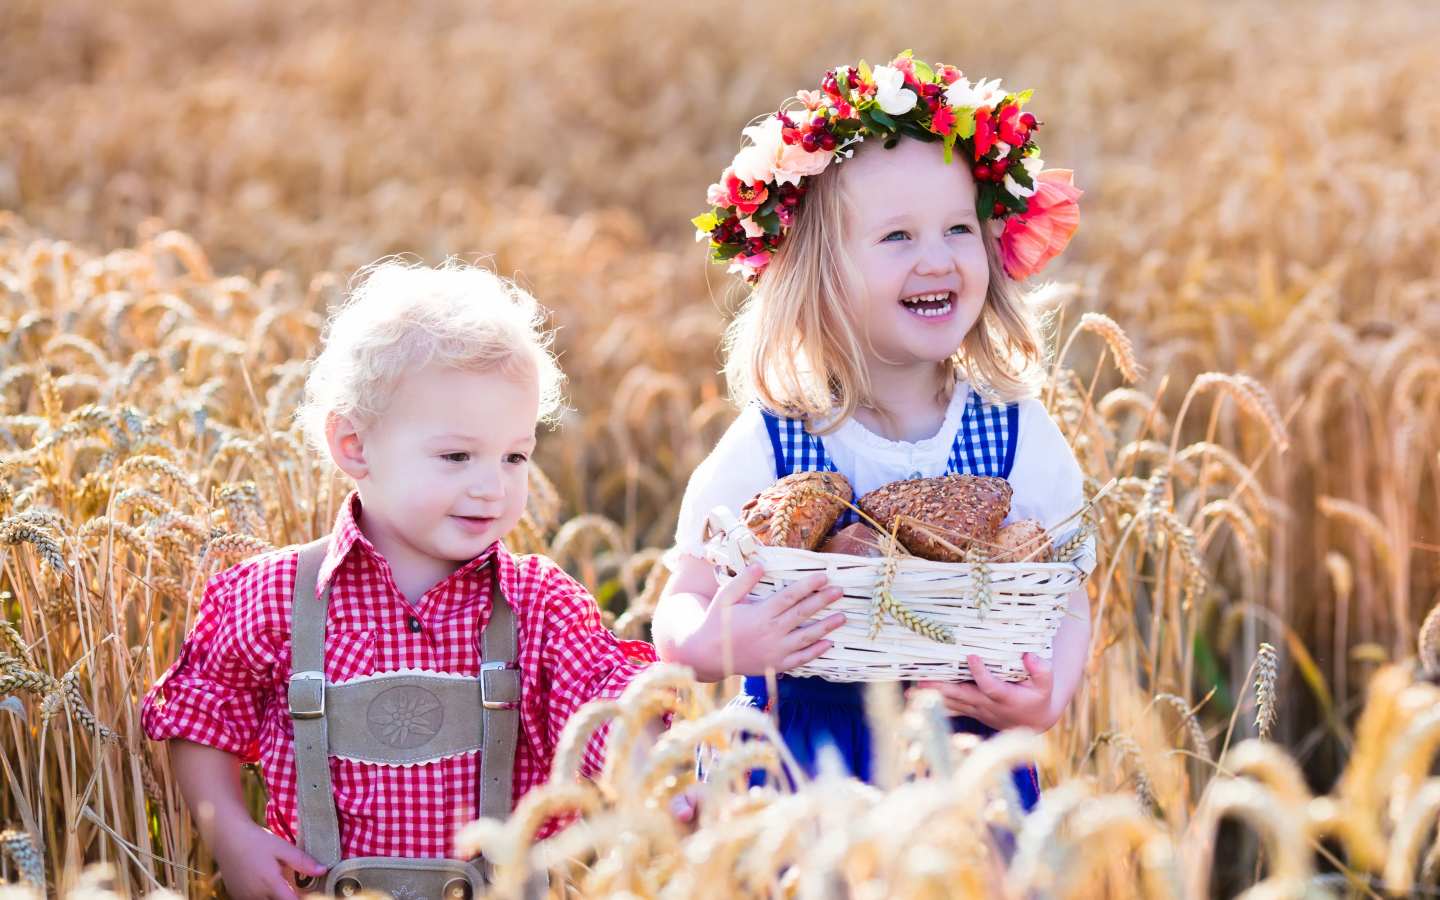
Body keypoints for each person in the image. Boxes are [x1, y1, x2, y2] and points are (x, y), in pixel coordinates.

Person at [142, 262, 658, 900]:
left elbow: (605, 707)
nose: (492, 485)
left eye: (515, 455)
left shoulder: (537, 607)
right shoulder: (277, 596)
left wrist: (661, 774)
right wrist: (231, 835)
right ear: (355, 445)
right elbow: (201, 714)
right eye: (456, 456)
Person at [654, 53, 1092, 806]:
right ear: (818, 272)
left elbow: (1067, 586)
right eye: (897, 237)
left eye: (958, 228)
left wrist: (1047, 694)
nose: (937, 259)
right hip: (798, 757)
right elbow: (685, 592)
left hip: (963, 750)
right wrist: (708, 645)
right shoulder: (777, 440)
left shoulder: (1014, 430)